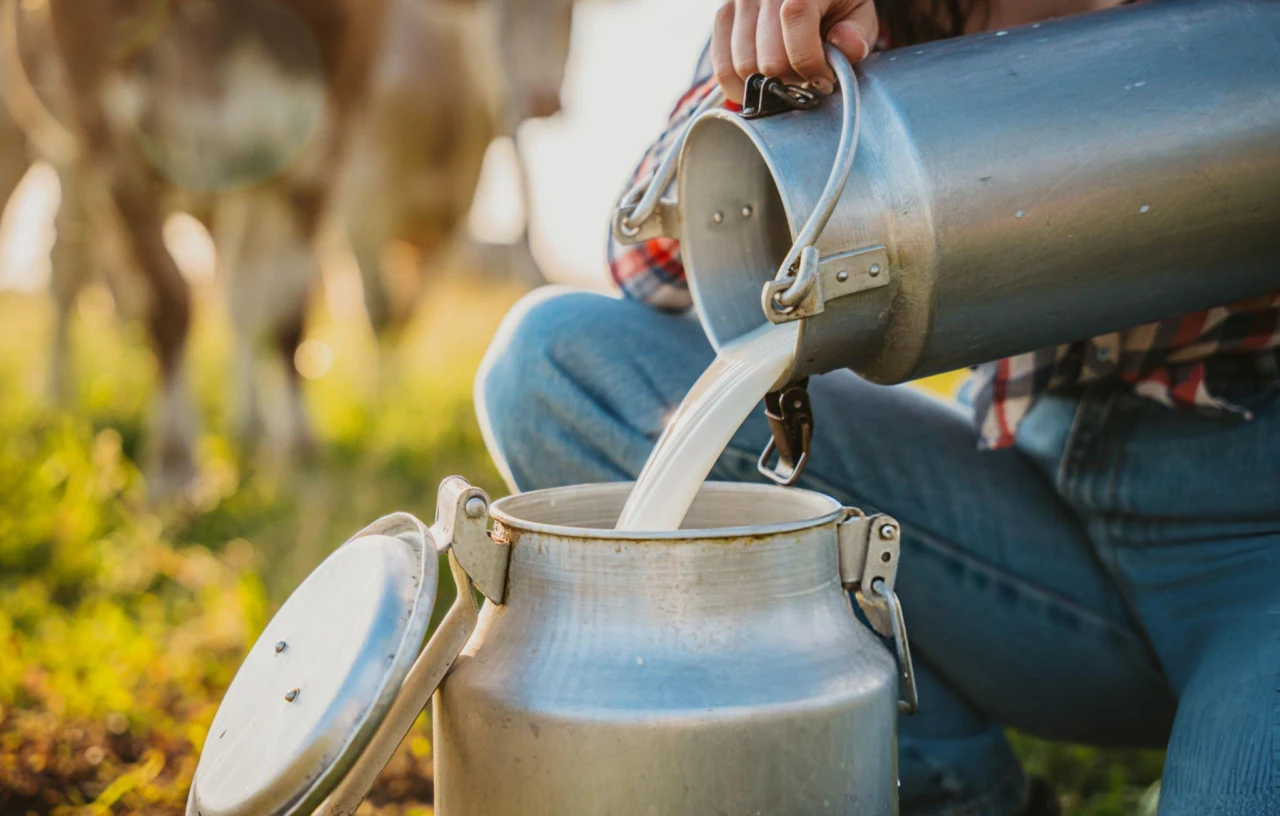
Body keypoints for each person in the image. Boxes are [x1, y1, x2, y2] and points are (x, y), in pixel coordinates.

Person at [475, 0, 1280, 813]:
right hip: (1035, 523)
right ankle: (947, 787)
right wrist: (786, 64)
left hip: (1256, 540)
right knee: (557, 370)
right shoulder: (888, 16)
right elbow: (649, 263)